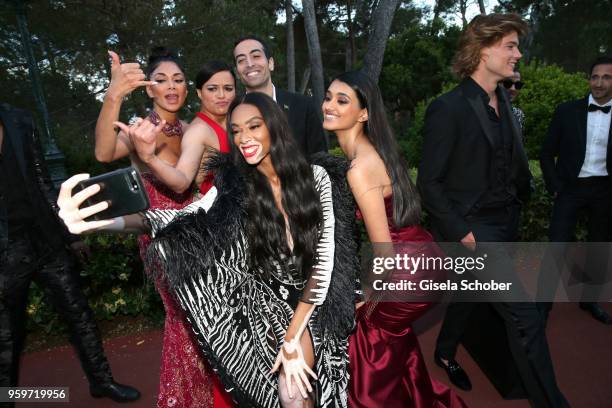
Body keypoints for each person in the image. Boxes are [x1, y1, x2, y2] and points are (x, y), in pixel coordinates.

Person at [58, 92, 359, 408]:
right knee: (286, 396)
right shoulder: (235, 186)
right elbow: (177, 217)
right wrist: (100, 221)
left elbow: (322, 268)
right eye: (237, 131)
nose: (244, 138)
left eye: (253, 126)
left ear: (274, 127)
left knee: (294, 392)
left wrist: (291, 340)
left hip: (311, 303)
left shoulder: (317, 177)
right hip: (263, 307)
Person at [417, 13, 569, 408]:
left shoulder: (503, 100)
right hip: (475, 231)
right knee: (526, 317)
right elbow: (428, 183)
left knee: (468, 294)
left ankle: (445, 350)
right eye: (510, 46)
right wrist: (462, 232)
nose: (518, 54)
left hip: (506, 222)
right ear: (483, 51)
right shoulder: (447, 108)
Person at [95, 47, 223, 407]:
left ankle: (210, 396)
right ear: (149, 89)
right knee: (185, 319)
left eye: (179, 80)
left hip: (201, 236)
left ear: (187, 89)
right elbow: (104, 153)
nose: (171, 86)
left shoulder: (192, 129)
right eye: (162, 80)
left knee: (209, 321)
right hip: (163, 241)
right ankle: (181, 400)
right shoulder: (140, 129)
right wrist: (114, 95)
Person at [0, 103, 140, 404]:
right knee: (7, 337)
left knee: (80, 315)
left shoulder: (19, 117)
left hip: (45, 239)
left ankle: (102, 382)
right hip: (6, 252)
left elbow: (42, 180)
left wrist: (69, 235)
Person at [539, 55, 612, 324]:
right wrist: (556, 186)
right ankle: (542, 304)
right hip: (570, 188)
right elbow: (547, 154)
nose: (599, 82)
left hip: (604, 190)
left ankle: (589, 300)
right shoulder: (566, 111)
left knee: (599, 247)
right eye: (595, 77)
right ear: (588, 79)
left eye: (606, 77)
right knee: (556, 246)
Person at [123, 60, 236, 197]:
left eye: (228, 88)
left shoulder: (237, 122)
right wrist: (149, 158)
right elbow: (182, 181)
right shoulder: (198, 131)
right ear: (199, 93)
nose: (221, 95)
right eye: (212, 89)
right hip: (221, 213)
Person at [233, 35, 328, 156]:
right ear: (237, 72)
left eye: (256, 56)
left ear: (271, 63)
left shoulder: (303, 106)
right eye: (241, 60)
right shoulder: (232, 113)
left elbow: (320, 158)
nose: (249, 64)